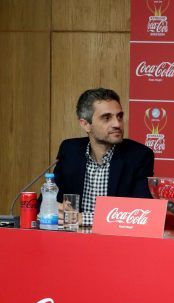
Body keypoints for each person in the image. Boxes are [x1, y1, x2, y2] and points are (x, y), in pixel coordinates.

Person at [52, 88, 154, 226]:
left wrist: (81, 218)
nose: (117, 124)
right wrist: (54, 208)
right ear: (85, 124)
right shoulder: (70, 151)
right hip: (73, 237)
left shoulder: (138, 155)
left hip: (116, 238)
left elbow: (142, 212)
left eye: (119, 116)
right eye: (107, 118)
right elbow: (46, 201)